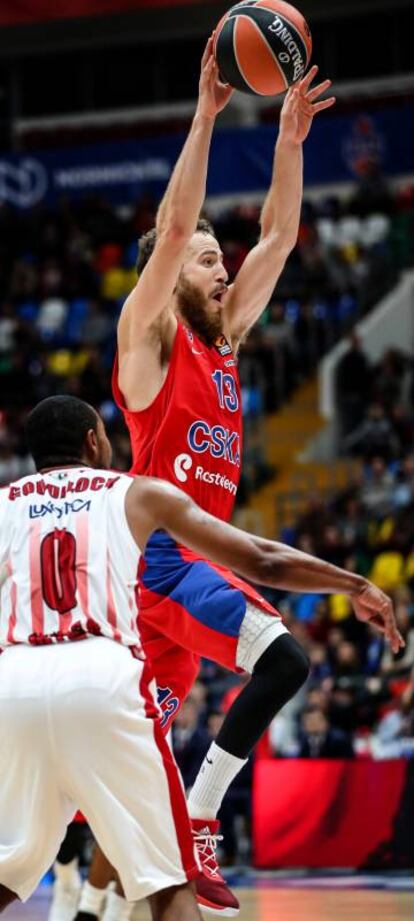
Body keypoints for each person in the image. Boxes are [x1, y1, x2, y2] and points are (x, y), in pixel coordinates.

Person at [109, 35, 336, 918]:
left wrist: (287, 140)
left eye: (219, 257)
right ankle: (204, 819)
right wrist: (205, 116)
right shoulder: (148, 342)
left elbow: (279, 235)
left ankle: (156, 858)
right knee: (284, 660)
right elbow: (173, 231)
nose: (221, 264)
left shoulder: (223, 338)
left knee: (133, 787)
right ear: (167, 283)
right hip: (163, 560)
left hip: (183, 575)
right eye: (208, 259)